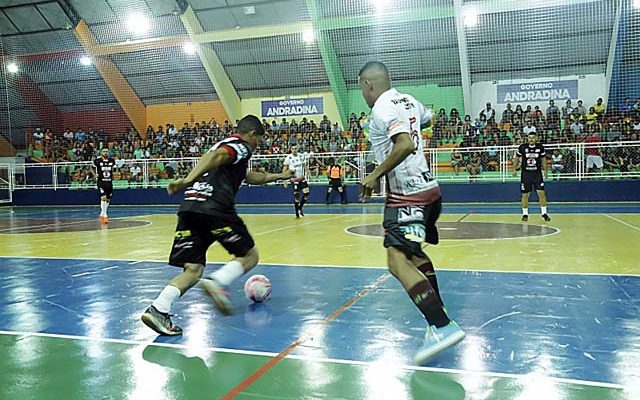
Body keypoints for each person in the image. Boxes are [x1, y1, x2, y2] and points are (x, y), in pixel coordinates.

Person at [141, 115, 294, 335]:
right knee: (250, 256)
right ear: (252, 135)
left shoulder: (228, 150)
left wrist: (280, 175)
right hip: (215, 206)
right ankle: (218, 281)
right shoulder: (240, 146)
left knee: (193, 270)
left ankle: (158, 308)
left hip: (190, 207)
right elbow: (218, 156)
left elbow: (249, 176)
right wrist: (187, 179)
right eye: (258, 140)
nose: (257, 145)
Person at [358, 61, 465, 365]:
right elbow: (426, 121)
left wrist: (374, 174)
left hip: (407, 195)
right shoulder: (409, 101)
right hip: (431, 191)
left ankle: (441, 326)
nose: (363, 94)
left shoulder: (381, 107)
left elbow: (404, 144)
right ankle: (438, 312)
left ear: (368, 84)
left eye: (361, 88)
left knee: (396, 261)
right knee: (415, 255)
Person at [513, 132, 551, 222]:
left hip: (537, 174)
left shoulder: (540, 147)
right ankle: (525, 214)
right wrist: (514, 169)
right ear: (527, 138)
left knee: (541, 193)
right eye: (529, 138)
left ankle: (544, 213)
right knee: (525, 195)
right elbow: (516, 158)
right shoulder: (522, 147)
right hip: (526, 174)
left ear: (536, 138)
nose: (531, 139)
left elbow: (543, 159)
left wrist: (545, 171)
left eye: (533, 138)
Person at [283, 144, 310, 219]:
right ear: (291, 149)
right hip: (294, 179)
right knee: (296, 196)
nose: (294, 150)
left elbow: (304, 166)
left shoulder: (301, 156)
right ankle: (297, 214)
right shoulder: (288, 158)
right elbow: (284, 169)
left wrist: (308, 174)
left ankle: (300, 207)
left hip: (301, 178)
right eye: (293, 149)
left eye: (295, 148)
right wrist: (284, 180)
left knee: (306, 193)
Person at [93, 147, 116, 224]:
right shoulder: (97, 161)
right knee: (103, 198)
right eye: (104, 151)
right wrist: (94, 175)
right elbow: (91, 168)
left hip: (109, 182)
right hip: (101, 182)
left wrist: (114, 174)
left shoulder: (112, 161)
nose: (105, 153)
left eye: (107, 151)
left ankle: (102, 214)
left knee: (108, 199)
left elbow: (114, 169)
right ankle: (105, 215)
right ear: (101, 152)